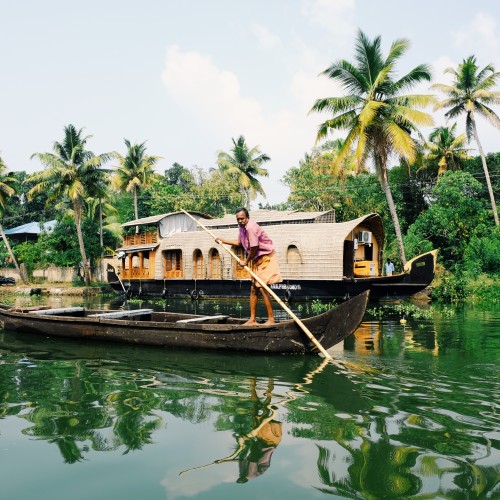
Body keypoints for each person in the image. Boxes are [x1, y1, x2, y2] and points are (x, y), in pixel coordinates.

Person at [216, 208, 282, 326]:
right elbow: (240, 243)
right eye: (238, 219)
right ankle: (252, 319)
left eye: (242, 219)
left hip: (266, 257)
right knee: (253, 289)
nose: (240, 221)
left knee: (263, 287)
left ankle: (271, 320)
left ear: (248, 218)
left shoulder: (251, 227)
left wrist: (246, 261)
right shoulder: (242, 228)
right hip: (257, 259)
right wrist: (223, 240)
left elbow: (254, 247)